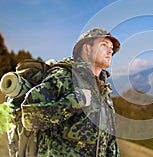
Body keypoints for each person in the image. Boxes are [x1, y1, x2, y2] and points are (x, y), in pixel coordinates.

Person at [20, 28, 121, 156]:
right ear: (86, 49)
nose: (110, 50)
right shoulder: (64, 77)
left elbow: (110, 140)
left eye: (112, 47)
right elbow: (29, 118)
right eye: (104, 45)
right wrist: (75, 102)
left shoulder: (104, 91)